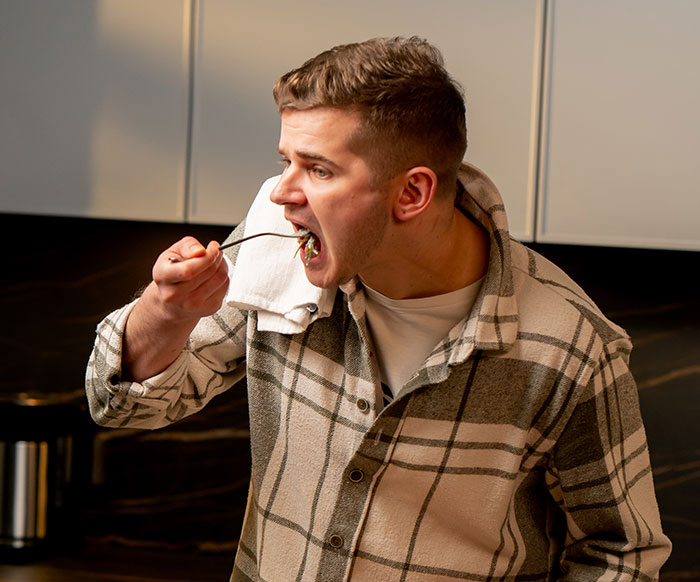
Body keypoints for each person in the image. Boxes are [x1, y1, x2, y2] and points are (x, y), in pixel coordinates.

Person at [86, 37, 671, 581]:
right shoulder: (278, 252)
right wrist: (165, 311)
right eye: (286, 160)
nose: (281, 193)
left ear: (411, 194)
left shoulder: (570, 345)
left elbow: (622, 552)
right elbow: (122, 409)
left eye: (318, 169)